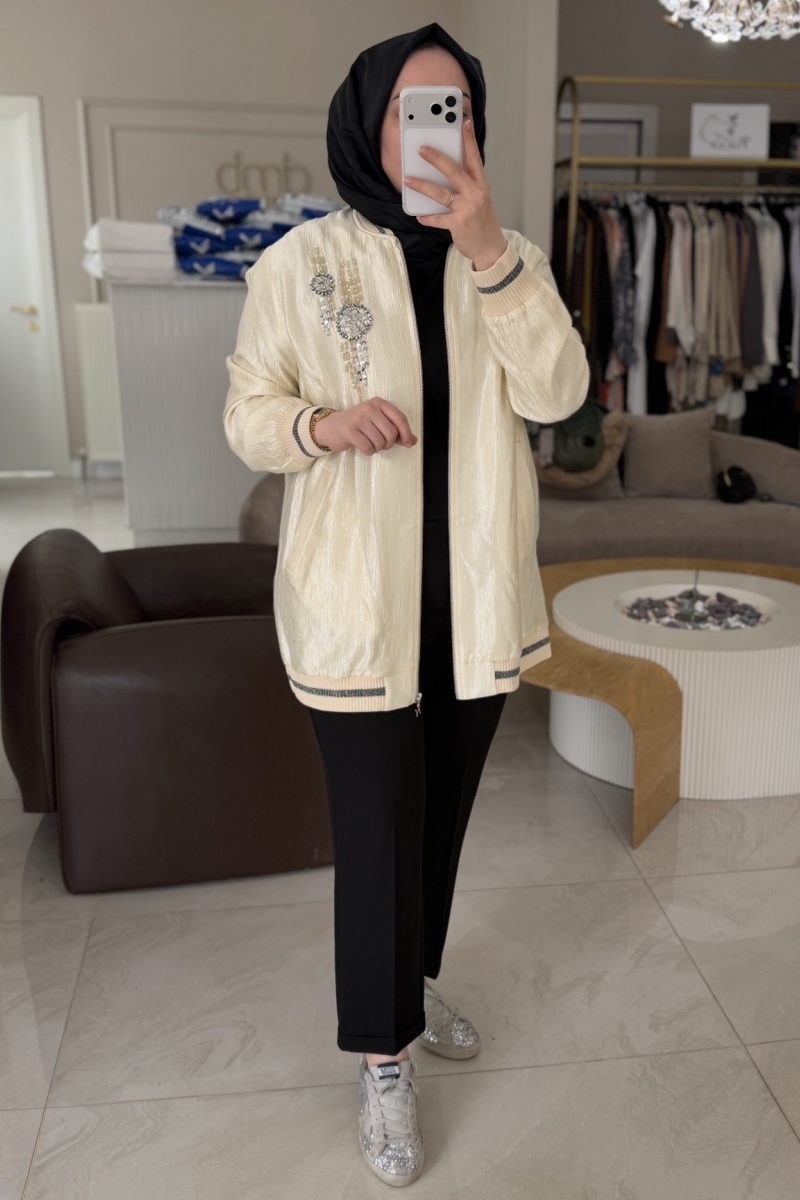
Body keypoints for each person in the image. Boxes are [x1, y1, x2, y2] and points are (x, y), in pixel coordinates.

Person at [224, 22, 589, 1187]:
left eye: (457, 109)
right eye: (415, 110)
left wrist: (486, 254)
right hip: (356, 605)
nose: (441, 131)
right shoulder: (298, 264)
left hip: (472, 605)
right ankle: (382, 1056)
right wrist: (317, 425)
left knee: (438, 822)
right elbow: (246, 413)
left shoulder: (507, 258)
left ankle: (408, 986)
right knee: (378, 831)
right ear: (366, 122)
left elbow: (559, 394)